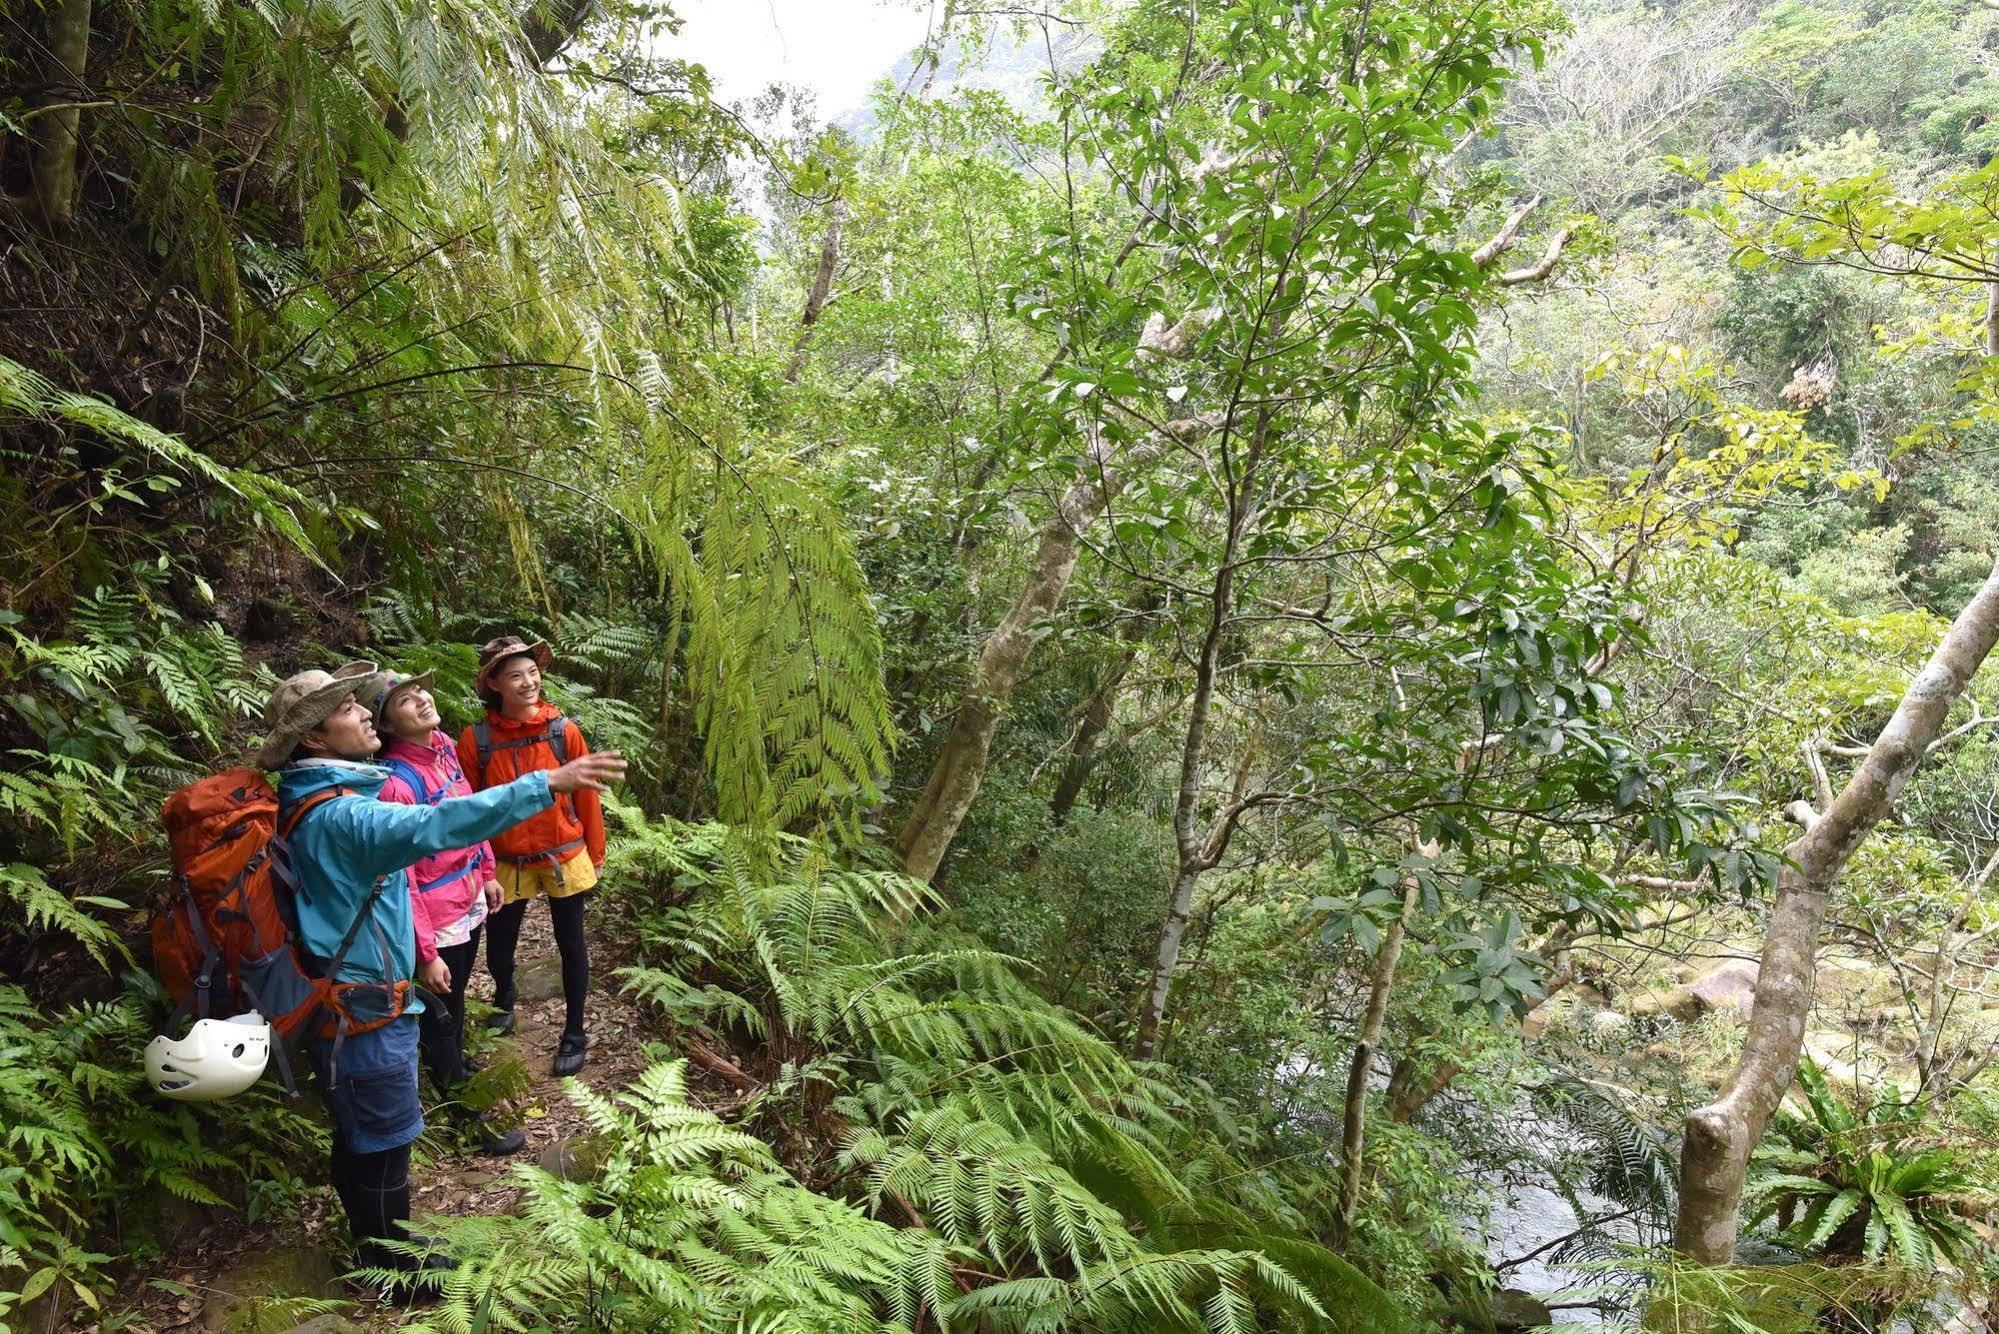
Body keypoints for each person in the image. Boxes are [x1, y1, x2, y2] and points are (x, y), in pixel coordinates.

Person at [256, 662, 624, 1300]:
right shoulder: (339, 816)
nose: (365, 711)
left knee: (366, 1134)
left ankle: (380, 1245)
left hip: (351, 995)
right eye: (347, 708)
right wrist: (547, 783)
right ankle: (393, 1269)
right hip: (364, 1004)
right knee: (385, 1139)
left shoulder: (327, 797)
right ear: (314, 740)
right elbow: (431, 828)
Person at [367, 669, 525, 1158]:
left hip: (465, 899)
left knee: (452, 1009)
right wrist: (425, 951)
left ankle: (455, 1068)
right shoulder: (396, 784)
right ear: (388, 726)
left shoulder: (444, 748)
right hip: (437, 919)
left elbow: (469, 813)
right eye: (403, 701)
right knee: (441, 1014)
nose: (420, 700)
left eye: (419, 692)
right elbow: (403, 877)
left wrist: (487, 871)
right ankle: (464, 1115)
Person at [458, 635, 603, 1077]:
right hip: (504, 859)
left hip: (564, 852)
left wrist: (595, 852)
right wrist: (478, 865)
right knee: (499, 949)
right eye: (515, 675)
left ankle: (574, 1033)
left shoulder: (563, 731)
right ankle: (505, 995)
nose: (528, 682)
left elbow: (587, 797)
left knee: (572, 945)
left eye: (532, 673)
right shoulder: (477, 740)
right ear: (495, 685)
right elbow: (467, 809)